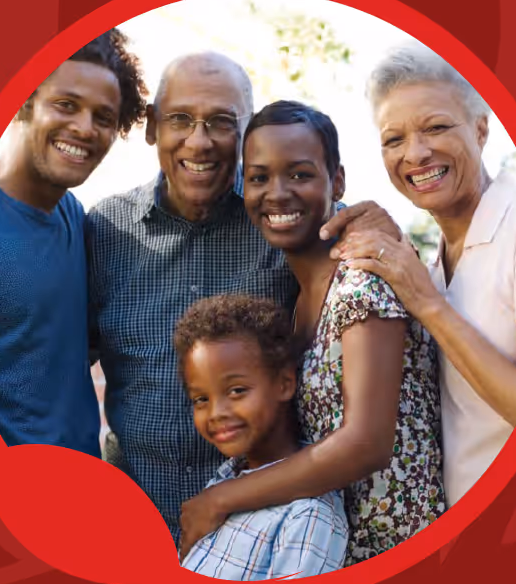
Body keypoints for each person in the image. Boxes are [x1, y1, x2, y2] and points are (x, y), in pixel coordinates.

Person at [86, 52, 399, 545]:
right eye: (180, 120)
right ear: (151, 128)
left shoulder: (280, 218)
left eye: (221, 122)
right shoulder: (104, 230)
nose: (199, 140)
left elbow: (363, 246)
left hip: (266, 531)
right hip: (135, 523)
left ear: (247, 131)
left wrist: (382, 228)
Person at [179, 101, 444, 565]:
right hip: (321, 555)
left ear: (336, 181)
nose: (276, 193)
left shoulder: (362, 280)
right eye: (259, 178)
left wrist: (221, 499)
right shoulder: (297, 297)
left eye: (299, 174)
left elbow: (365, 444)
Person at [334, 45, 516, 506]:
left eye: (435, 127)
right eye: (394, 140)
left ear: (480, 129)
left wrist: (426, 303)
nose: (416, 153)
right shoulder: (434, 262)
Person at [0, 28, 147, 457]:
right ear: (24, 101)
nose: (84, 129)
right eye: (66, 105)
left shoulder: (77, 220)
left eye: (103, 117)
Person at [174, 294, 348, 580]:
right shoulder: (227, 477)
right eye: (201, 399)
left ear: (284, 383)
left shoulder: (307, 516)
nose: (216, 412)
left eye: (237, 391)